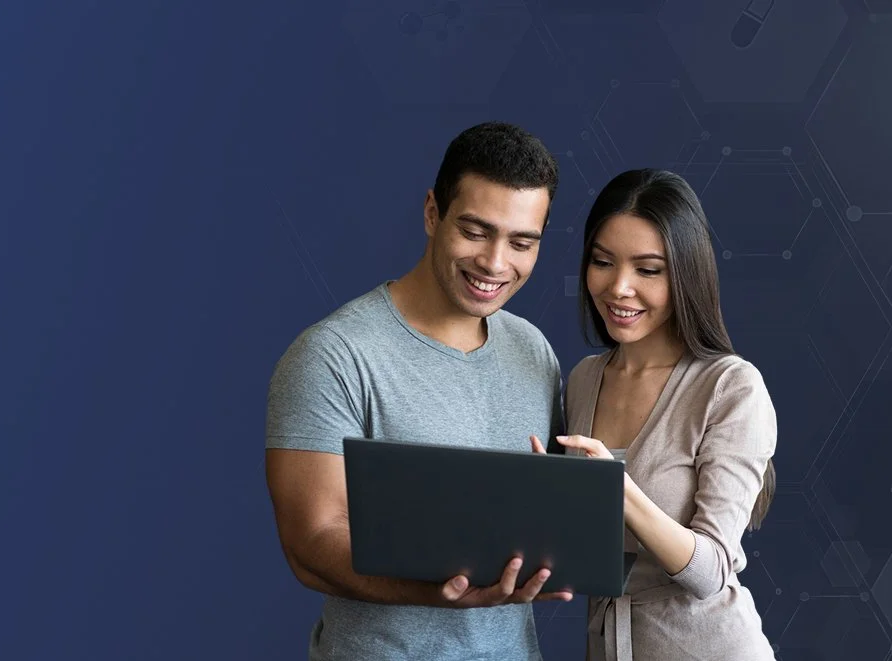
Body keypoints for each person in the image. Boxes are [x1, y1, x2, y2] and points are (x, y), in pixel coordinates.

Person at [263, 121, 572, 661]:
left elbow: (549, 519)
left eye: (521, 242)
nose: (495, 262)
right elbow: (310, 544)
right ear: (433, 213)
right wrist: (446, 589)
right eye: (475, 231)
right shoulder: (334, 355)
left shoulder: (534, 350)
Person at [541, 168, 778, 661]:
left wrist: (616, 488)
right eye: (602, 262)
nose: (619, 287)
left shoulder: (730, 386)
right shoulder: (583, 379)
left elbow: (709, 573)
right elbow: (583, 549)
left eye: (648, 270)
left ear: (685, 275)